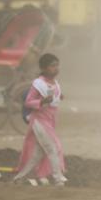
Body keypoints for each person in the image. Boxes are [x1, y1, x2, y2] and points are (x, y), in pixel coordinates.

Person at [13, 53, 67, 186]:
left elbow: (53, 100)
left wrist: (58, 97)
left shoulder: (55, 83)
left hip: (49, 121)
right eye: (52, 66)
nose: (56, 68)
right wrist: (41, 102)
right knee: (53, 148)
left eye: (57, 65)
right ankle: (58, 179)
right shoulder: (38, 83)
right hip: (40, 121)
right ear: (44, 68)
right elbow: (28, 102)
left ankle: (20, 177)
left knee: (37, 153)